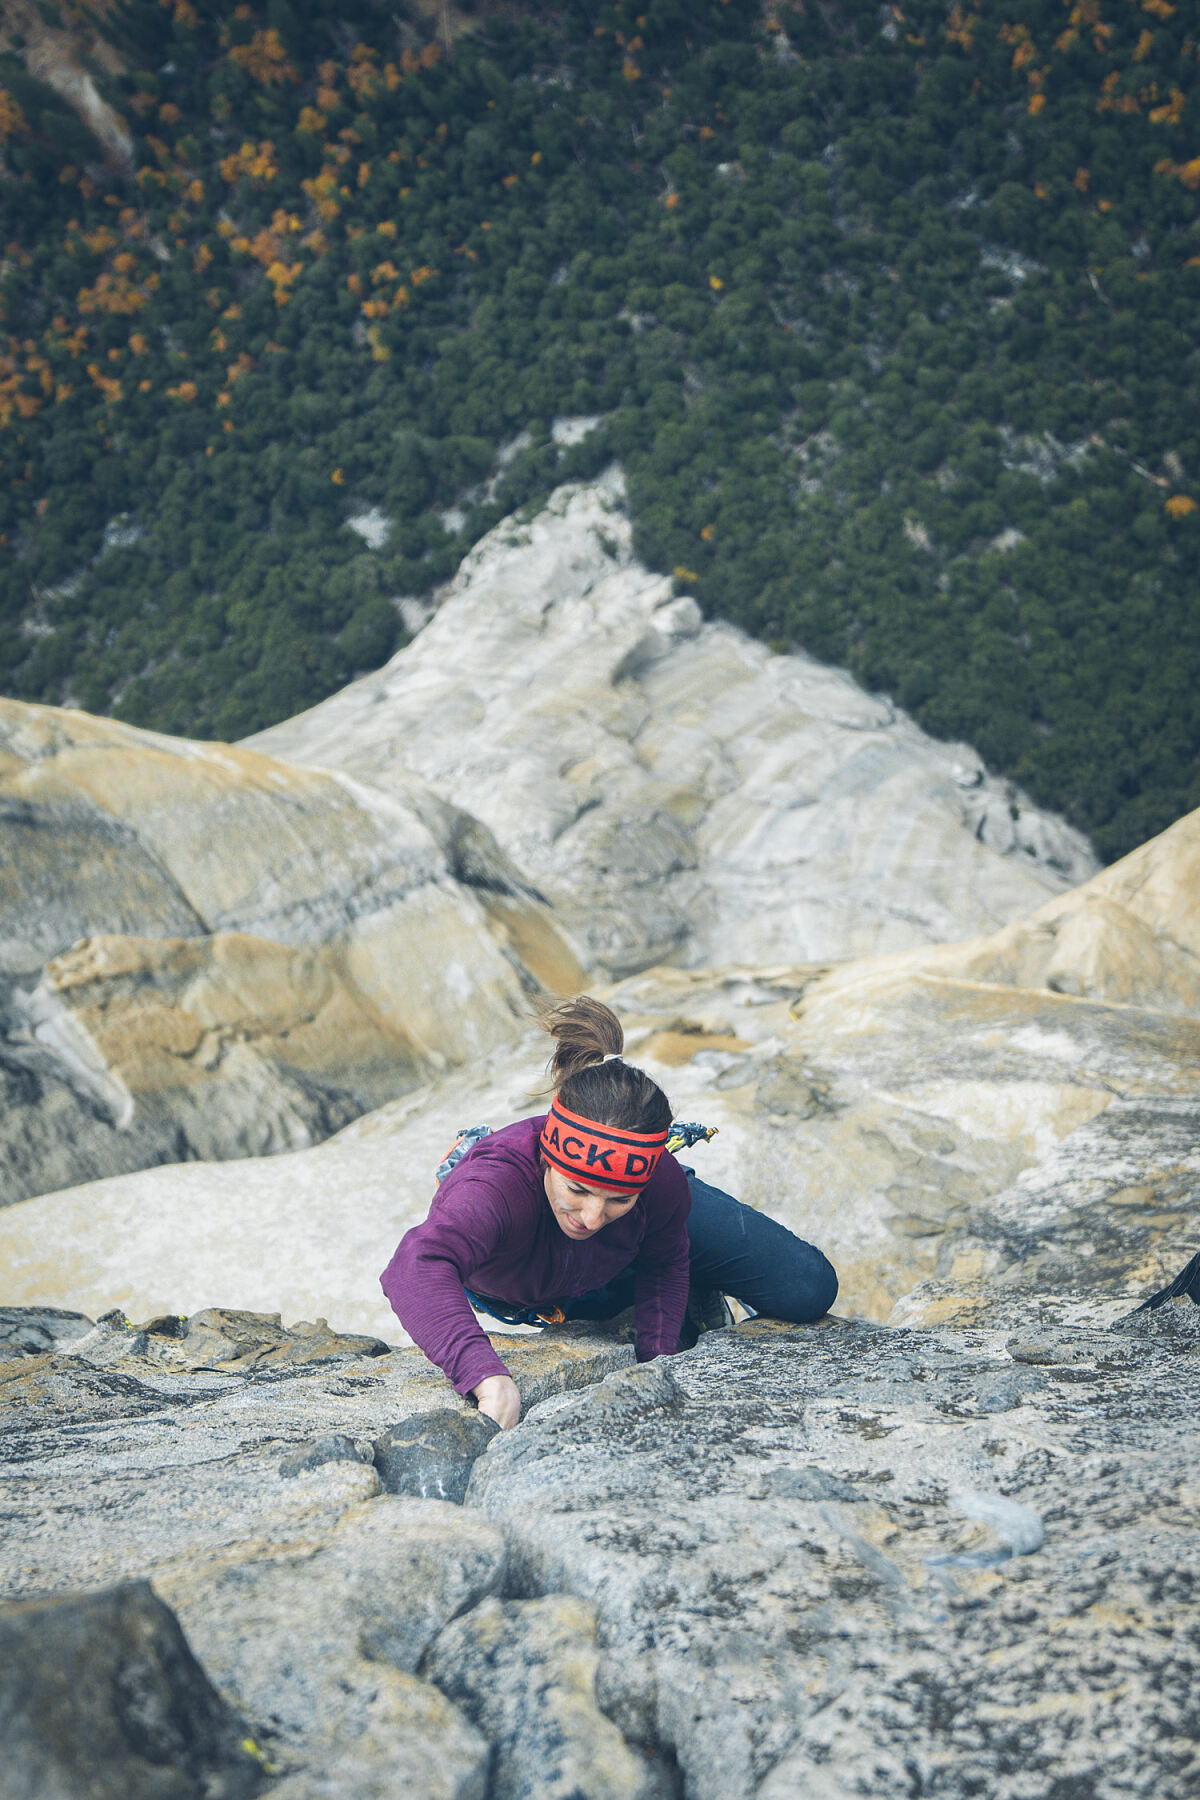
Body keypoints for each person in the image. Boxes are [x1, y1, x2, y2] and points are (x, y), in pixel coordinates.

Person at [380, 996, 838, 1428]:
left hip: (648, 1219)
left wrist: (658, 1365)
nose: (593, 1216)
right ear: (549, 1158)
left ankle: (651, 1232)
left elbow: (665, 1259)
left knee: (807, 1287)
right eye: (578, 1189)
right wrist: (487, 1377)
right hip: (547, 1279)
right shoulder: (494, 1187)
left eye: (616, 1198)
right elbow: (414, 1266)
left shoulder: (659, 1182)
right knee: (616, 1297)